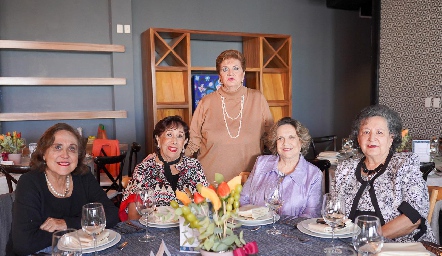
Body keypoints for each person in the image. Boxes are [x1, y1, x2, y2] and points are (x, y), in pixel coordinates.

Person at [11, 123, 119, 255]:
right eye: (57, 147)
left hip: (79, 251)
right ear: (44, 153)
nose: (65, 155)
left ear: (78, 156)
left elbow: (112, 215)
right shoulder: (30, 183)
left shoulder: (84, 177)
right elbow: (24, 244)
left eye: (72, 149)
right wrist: (83, 228)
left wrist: (66, 224)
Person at [333, 104, 436, 242]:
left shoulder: (404, 165)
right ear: (358, 138)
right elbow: (335, 213)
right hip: (351, 246)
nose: (371, 138)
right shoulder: (344, 169)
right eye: (366, 132)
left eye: (379, 132)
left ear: (391, 138)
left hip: (403, 248)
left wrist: (370, 239)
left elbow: (414, 217)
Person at [185, 49, 274, 183]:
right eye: (225, 69)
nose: (230, 73)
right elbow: (193, 142)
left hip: (249, 182)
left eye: (236, 68)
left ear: (243, 74)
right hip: (210, 183)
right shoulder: (206, 102)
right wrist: (167, 159)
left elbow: (271, 139)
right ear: (220, 76)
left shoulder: (258, 99)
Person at [120, 116, 208, 221]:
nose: (174, 141)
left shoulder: (194, 166)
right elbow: (133, 215)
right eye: (169, 135)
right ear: (158, 139)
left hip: (189, 230)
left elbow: (205, 206)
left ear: (185, 142)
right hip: (155, 231)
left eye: (180, 136)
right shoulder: (144, 168)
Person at [240, 117, 323, 218]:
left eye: (291, 137)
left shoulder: (314, 174)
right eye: (280, 138)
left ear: (301, 142)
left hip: (293, 233)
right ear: (275, 142)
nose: (285, 143)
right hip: (256, 228)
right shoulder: (261, 163)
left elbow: (311, 215)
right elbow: (243, 200)